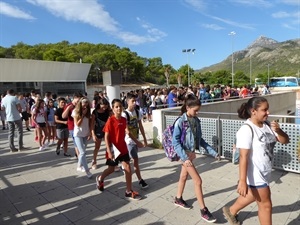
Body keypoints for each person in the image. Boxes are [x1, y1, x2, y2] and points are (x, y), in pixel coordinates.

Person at [222, 97, 289, 225]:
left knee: (253, 195)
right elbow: (243, 157)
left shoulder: (268, 125)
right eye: (264, 110)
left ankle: (231, 210)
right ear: (253, 111)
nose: (268, 112)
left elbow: (285, 140)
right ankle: (231, 210)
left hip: (265, 171)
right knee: (266, 205)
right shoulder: (246, 130)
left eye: (267, 109)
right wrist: (242, 181)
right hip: (255, 175)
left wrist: (279, 131)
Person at [172, 94, 217, 223]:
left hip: (190, 154)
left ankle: (178, 198)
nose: (197, 112)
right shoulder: (180, 121)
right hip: (185, 155)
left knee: (183, 177)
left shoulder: (196, 121)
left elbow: (200, 140)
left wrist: (213, 152)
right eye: (195, 110)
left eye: (198, 110)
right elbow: (175, 142)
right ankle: (203, 210)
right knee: (198, 181)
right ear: (187, 107)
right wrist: (184, 158)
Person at [95, 99, 145, 200]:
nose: (119, 108)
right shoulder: (110, 120)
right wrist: (109, 151)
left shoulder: (123, 119)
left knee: (127, 168)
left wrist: (137, 142)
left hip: (123, 148)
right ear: (113, 109)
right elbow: (106, 137)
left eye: (120, 106)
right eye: (116, 107)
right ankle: (100, 178)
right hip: (113, 149)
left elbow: (128, 132)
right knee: (111, 169)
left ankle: (128, 191)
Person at [121, 93, 148, 188]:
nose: (134, 103)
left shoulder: (137, 112)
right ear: (127, 102)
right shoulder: (124, 114)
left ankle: (128, 172)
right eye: (132, 101)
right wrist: (138, 142)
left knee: (133, 161)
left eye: (135, 101)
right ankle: (139, 180)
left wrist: (144, 139)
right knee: (134, 160)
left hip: (136, 139)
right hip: (129, 141)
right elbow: (127, 131)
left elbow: (140, 126)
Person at [72, 97, 93, 178]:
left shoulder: (88, 112)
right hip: (78, 134)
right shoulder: (75, 111)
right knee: (83, 152)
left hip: (86, 133)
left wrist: (90, 133)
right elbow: (77, 124)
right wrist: (83, 115)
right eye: (84, 103)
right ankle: (87, 171)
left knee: (82, 152)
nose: (85, 105)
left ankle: (79, 166)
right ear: (80, 104)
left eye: (87, 103)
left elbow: (90, 123)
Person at [91, 98, 111, 170]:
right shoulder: (95, 112)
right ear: (99, 104)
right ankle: (94, 161)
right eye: (103, 106)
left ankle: (110, 160)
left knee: (108, 146)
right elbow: (92, 124)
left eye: (106, 106)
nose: (104, 108)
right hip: (98, 131)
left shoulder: (108, 111)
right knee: (97, 147)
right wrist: (93, 134)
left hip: (107, 131)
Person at [62, 93, 83, 158]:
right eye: (78, 100)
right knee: (76, 143)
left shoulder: (80, 105)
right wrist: (68, 109)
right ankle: (79, 157)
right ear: (74, 98)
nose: (78, 101)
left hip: (80, 126)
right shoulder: (69, 106)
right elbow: (63, 116)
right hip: (72, 127)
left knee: (81, 143)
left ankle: (78, 154)